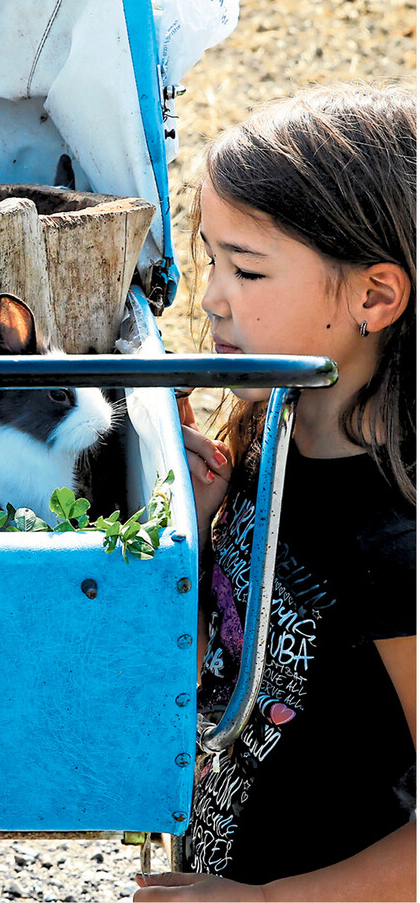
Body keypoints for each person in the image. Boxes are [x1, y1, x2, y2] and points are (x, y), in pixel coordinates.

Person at [135, 82, 416, 902]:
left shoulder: (393, 544)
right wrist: (202, 526)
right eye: (211, 257)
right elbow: (231, 665)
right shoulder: (271, 435)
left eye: (247, 270)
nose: (215, 296)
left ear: (374, 296)